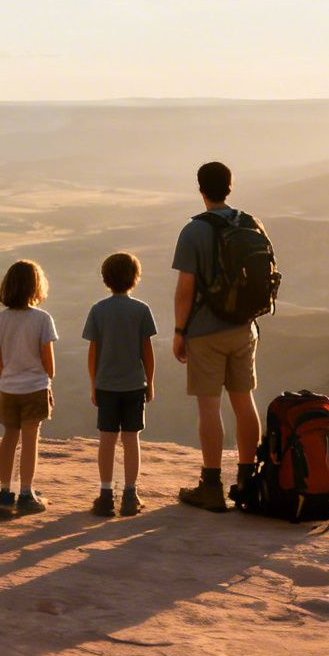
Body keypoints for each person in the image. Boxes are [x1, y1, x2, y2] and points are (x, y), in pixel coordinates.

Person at [171, 161, 265, 511]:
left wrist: (180, 331)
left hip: (206, 331)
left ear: (200, 189)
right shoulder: (251, 223)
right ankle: (247, 481)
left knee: (209, 406)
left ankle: (211, 486)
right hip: (245, 327)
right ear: (230, 186)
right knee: (245, 402)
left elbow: (185, 290)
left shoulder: (194, 231)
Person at [83, 251, 157, 516]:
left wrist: (93, 384)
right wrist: (150, 382)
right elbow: (147, 351)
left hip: (106, 385)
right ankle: (130, 494)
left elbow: (93, 352)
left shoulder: (98, 310)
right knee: (131, 439)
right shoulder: (141, 310)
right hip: (134, 384)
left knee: (106, 439)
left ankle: (105, 495)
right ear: (135, 278)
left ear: (106, 279)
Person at [0, 259, 56, 515]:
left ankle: (6, 493)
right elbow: (48, 358)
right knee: (30, 440)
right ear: (36, 287)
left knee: (8, 438)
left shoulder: (0, 320)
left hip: (9, 388)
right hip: (35, 386)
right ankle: (27, 493)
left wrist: (8, 375)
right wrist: (48, 376)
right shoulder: (42, 319)